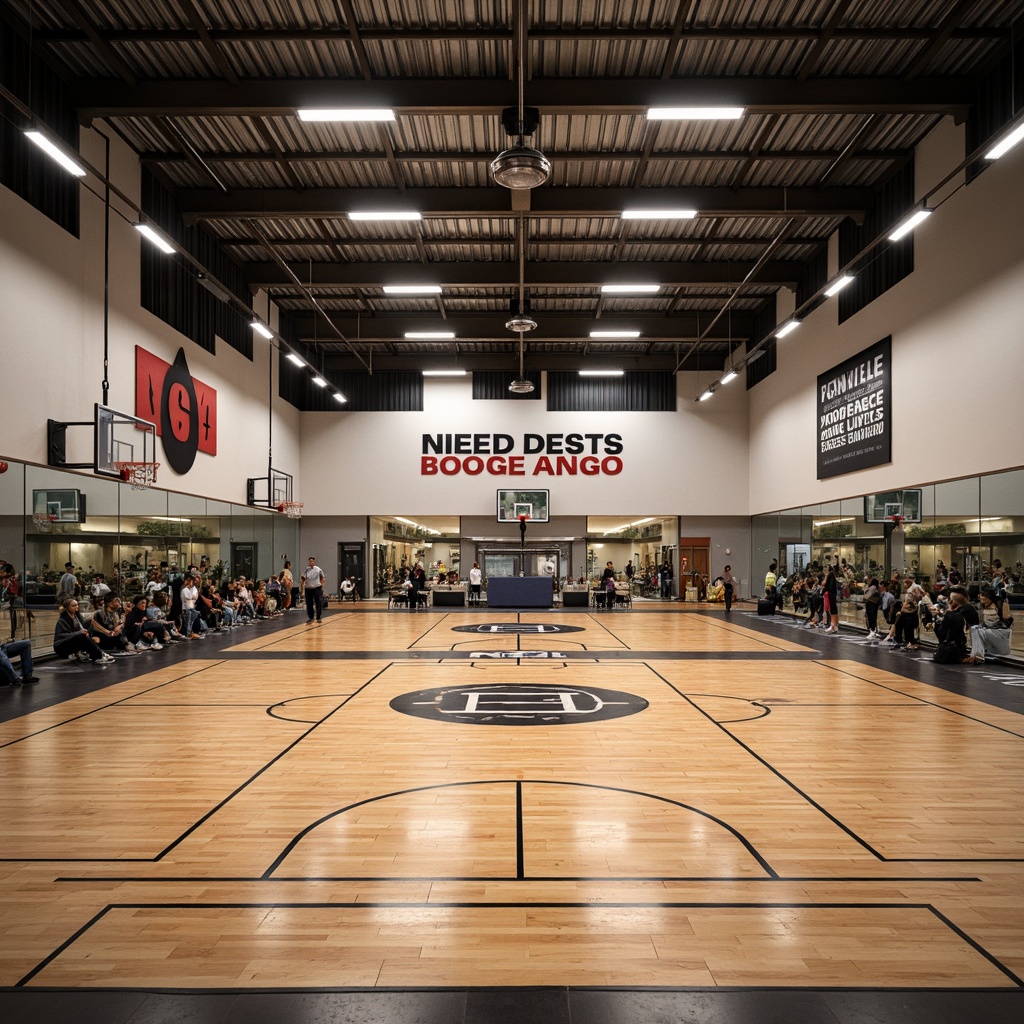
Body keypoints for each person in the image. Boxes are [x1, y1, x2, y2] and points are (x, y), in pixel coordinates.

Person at [53, 598, 114, 663]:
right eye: (73, 606)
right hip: (61, 646)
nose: (77, 607)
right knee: (82, 636)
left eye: (77, 605)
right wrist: (80, 633)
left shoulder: (76, 617)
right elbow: (61, 635)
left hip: (71, 641)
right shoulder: (62, 620)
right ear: (68, 608)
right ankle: (98, 656)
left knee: (86, 633)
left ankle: (99, 653)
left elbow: (81, 630)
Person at [964, 586, 1014, 665]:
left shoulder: (1001, 604)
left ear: (989, 598)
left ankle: (978, 656)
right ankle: (975, 656)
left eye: (984, 598)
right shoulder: (982, 606)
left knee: (979, 631)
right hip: (988, 630)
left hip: (1000, 632)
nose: (982, 600)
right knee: (974, 629)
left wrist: (992, 626)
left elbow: (1007, 621)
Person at [934, 591, 969, 662]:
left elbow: (941, 632)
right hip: (961, 645)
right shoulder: (965, 611)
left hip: (950, 647)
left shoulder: (950, 615)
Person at [302, 556, 326, 624]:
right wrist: (302, 587)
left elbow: (322, 577)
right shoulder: (307, 569)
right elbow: (303, 578)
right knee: (309, 603)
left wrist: (322, 586)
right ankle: (311, 617)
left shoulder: (318, 569)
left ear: (314, 562)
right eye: (310, 561)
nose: (311, 562)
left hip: (316, 587)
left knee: (318, 602)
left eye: (312, 561)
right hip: (308, 588)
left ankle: (318, 617)